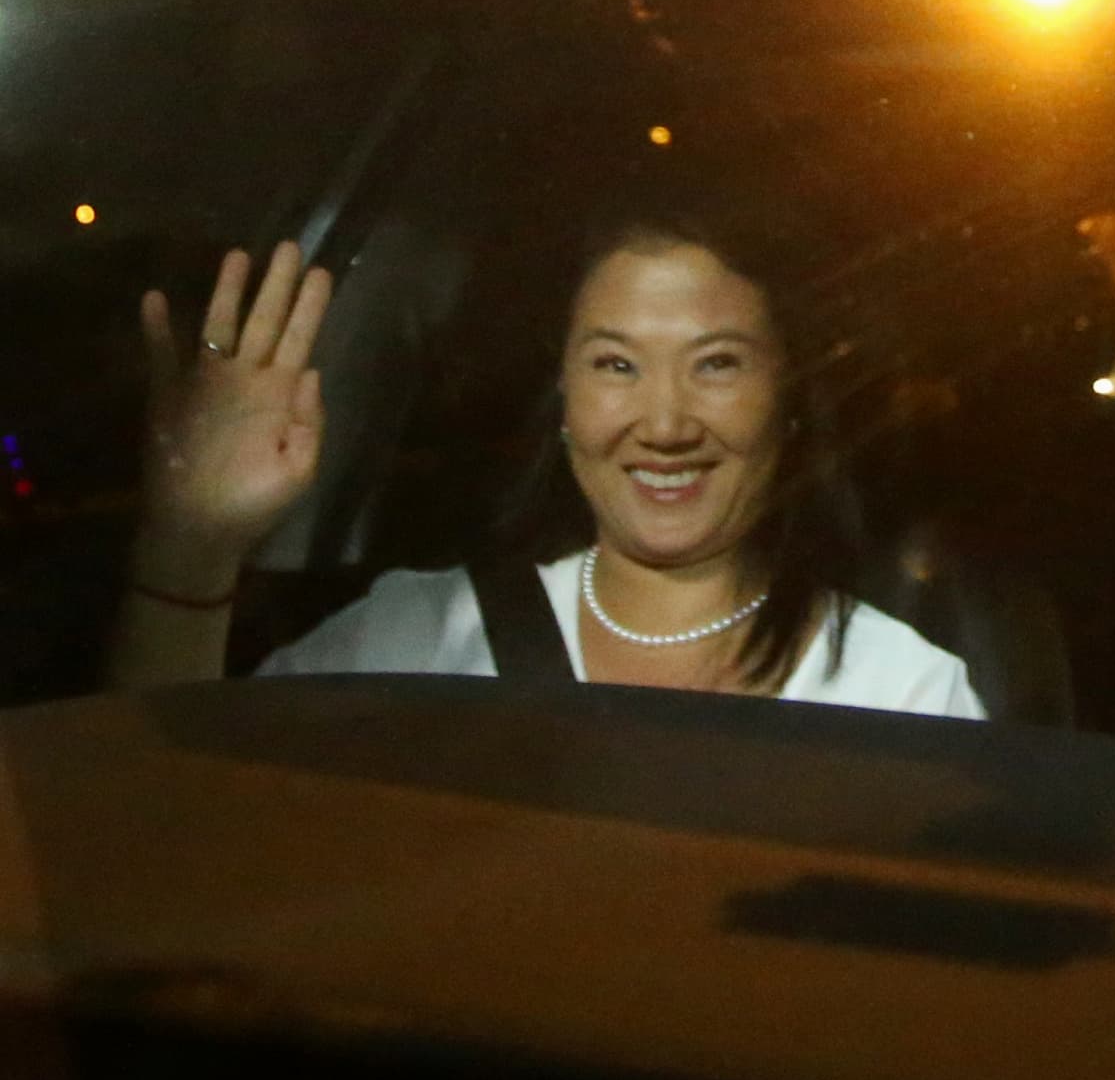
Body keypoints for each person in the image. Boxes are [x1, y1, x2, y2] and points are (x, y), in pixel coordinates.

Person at [109, 207, 985, 719]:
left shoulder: (898, 688)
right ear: (562, 397)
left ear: (789, 399)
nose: (666, 420)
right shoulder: (417, 637)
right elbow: (164, 824)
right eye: (614, 364)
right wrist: (189, 546)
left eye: (717, 363)